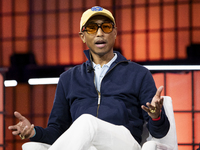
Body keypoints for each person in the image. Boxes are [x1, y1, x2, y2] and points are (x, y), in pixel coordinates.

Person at [8, 6, 170, 150]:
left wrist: (156, 116)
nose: (100, 33)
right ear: (82, 36)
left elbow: (160, 132)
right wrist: (34, 131)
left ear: (114, 33)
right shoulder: (68, 79)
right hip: (86, 145)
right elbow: (57, 131)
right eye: (92, 28)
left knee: (87, 122)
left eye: (106, 27)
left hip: (124, 143)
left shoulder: (139, 73)